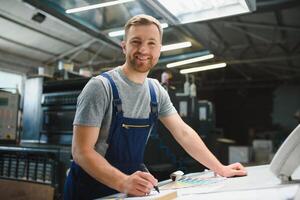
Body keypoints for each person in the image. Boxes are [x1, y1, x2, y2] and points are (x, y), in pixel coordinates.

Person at [64, 14, 247, 200]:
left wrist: (220, 168)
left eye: (151, 43)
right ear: (124, 46)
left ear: (159, 49)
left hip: (127, 191)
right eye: (136, 41)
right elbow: (81, 151)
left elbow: (183, 133)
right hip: (89, 191)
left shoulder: (155, 91)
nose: (143, 49)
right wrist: (123, 182)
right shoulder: (100, 87)